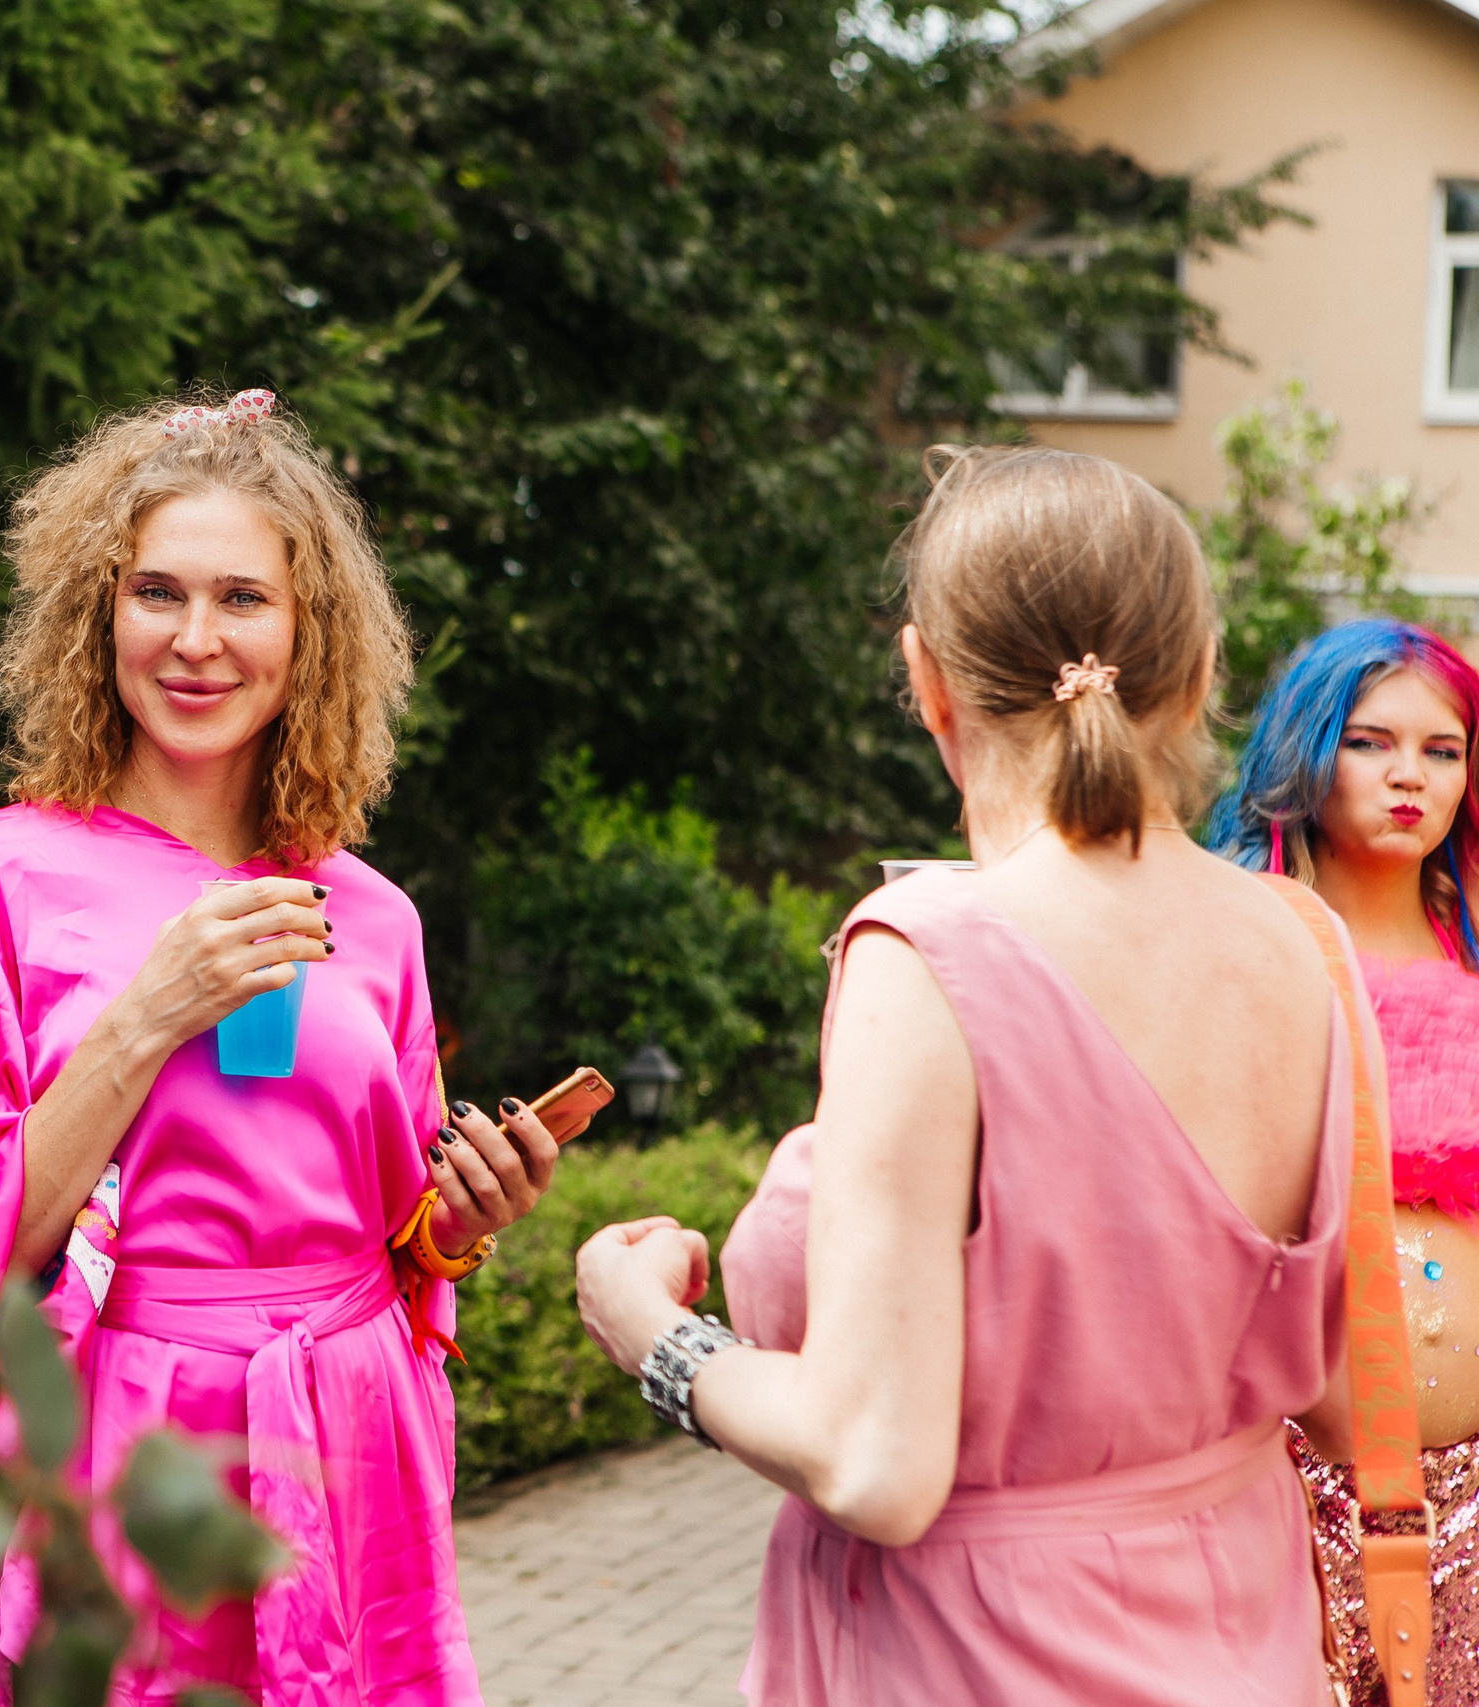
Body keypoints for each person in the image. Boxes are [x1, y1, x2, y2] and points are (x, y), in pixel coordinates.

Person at [0, 388, 562, 1704]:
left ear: (307, 631)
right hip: (127, 1448)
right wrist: (149, 1012)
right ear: (96, 615)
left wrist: (462, 1222)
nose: (198, 640)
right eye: (157, 591)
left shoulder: (371, 915)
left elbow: (402, 1239)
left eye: (244, 598)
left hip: (351, 1449)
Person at [572, 446, 1356, 1703]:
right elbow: (1338, 1392)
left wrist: (651, 1332)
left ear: (925, 679)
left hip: (977, 1661)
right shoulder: (1304, 945)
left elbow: (875, 1465)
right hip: (1244, 1647)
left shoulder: (928, 952)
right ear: (1202, 672)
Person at [1208, 615, 1479, 1704]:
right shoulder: (1240, 947)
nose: (1408, 775)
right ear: (1305, 748)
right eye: (1369, 742)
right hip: (1278, 1486)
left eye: (1443, 748)